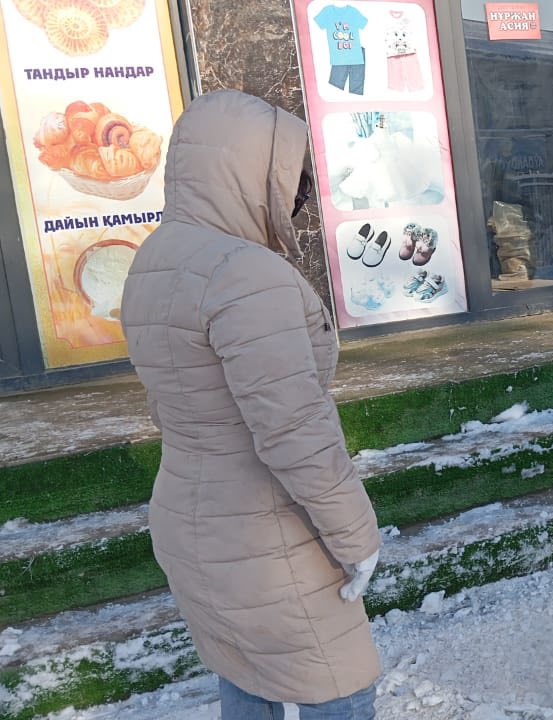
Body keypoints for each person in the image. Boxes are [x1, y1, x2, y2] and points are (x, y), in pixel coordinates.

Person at [120, 90, 382, 719]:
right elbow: (294, 429)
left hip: (190, 520)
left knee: (248, 676)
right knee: (340, 688)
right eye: (287, 176)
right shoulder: (244, 274)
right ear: (245, 170)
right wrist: (357, 536)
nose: (294, 196)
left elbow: (173, 403)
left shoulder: (154, 260)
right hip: (266, 535)